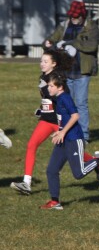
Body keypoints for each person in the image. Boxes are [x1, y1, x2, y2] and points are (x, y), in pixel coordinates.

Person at [40, 72, 99, 210]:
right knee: (51, 170)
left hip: (74, 139)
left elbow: (75, 116)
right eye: (48, 85)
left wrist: (63, 132)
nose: (49, 88)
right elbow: (64, 119)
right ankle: (55, 202)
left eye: (51, 86)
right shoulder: (58, 98)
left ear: (60, 87)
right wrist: (59, 131)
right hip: (63, 140)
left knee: (79, 174)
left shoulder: (65, 98)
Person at [11, 48, 73, 196]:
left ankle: (98, 162)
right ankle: (26, 183)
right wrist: (42, 109)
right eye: (41, 61)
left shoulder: (57, 78)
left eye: (45, 61)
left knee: (73, 152)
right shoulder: (43, 77)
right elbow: (47, 99)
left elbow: (63, 98)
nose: (42, 64)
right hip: (46, 120)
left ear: (54, 64)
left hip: (59, 122)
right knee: (31, 145)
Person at [43, 0, 99, 142]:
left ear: (82, 15)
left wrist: (72, 43)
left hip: (82, 72)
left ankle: (84, 136)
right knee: (66, 103)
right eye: (72, 16)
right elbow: (52, 38)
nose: (73, 19)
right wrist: (48, 43)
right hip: (65, 73)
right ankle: (67, 132)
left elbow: (92, 46)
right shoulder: (65, 25)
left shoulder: (91, 26)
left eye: (76, 17)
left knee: (80, 103)